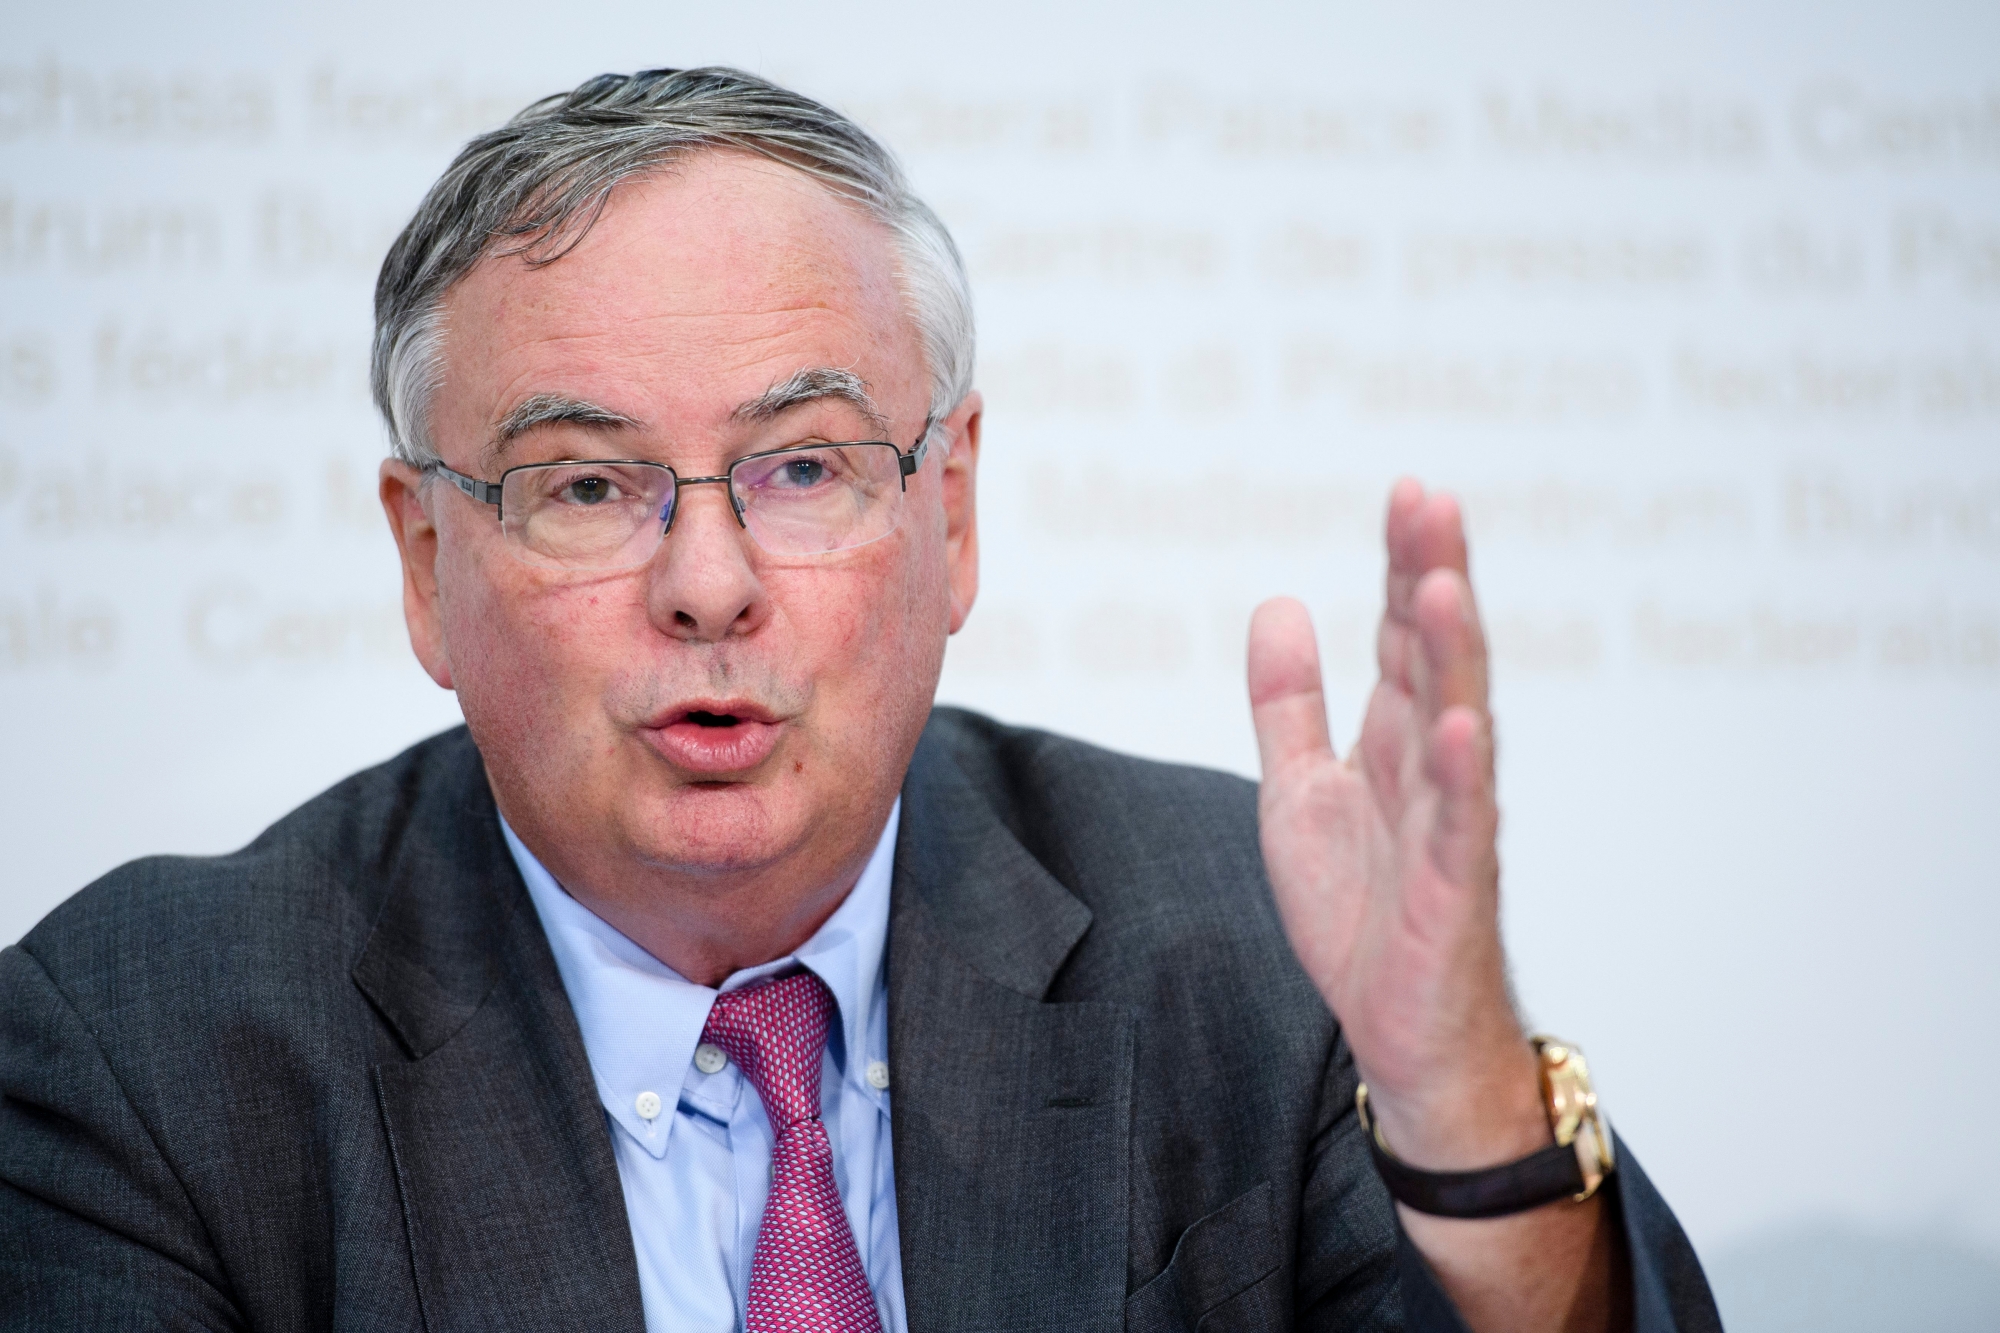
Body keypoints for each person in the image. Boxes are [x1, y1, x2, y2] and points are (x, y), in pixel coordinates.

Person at [0, 68, 1718, 1333]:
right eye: (586, 486)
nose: (709, 583)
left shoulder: (1254, 954)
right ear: (422, 558)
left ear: (951, 511)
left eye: (805, 465)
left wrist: (1468, 1122)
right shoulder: (143, 1054)